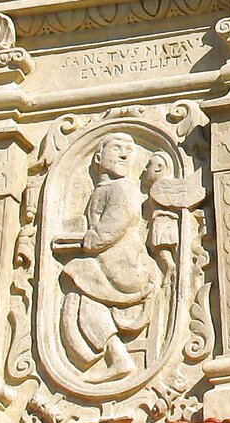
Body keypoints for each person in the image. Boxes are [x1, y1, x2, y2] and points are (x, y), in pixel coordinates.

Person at [55, 134, 167, 379]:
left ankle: (116, 358)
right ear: (98, 156)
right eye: (117, 148)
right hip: (111, 266)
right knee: (81, 289)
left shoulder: (123, 189)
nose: (125, 155)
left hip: (127, 271)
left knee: (77, 277)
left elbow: (110, 229)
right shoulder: (104, 189)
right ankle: (116, 357)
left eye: (129, 150)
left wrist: (81, 243)